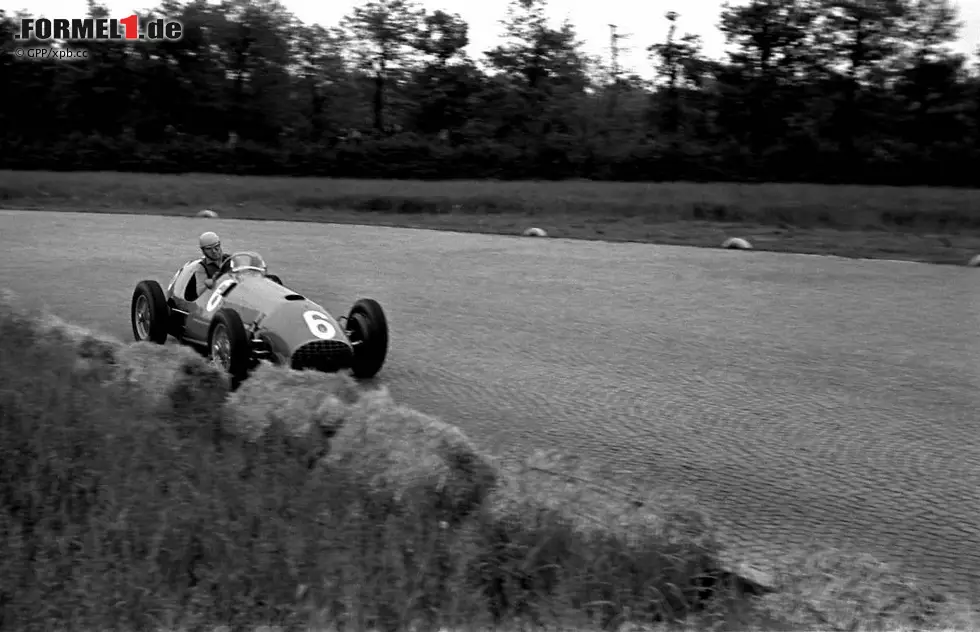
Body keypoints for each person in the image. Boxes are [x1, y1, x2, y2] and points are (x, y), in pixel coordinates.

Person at [194, 231, 230, 297]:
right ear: (203, 251)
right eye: (209, 249)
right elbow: (200, 293)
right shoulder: (202, 267)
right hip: (217, 300)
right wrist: (213, 282)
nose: (214, 251)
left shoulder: (230, 259)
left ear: (220, 245)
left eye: (216, 247)